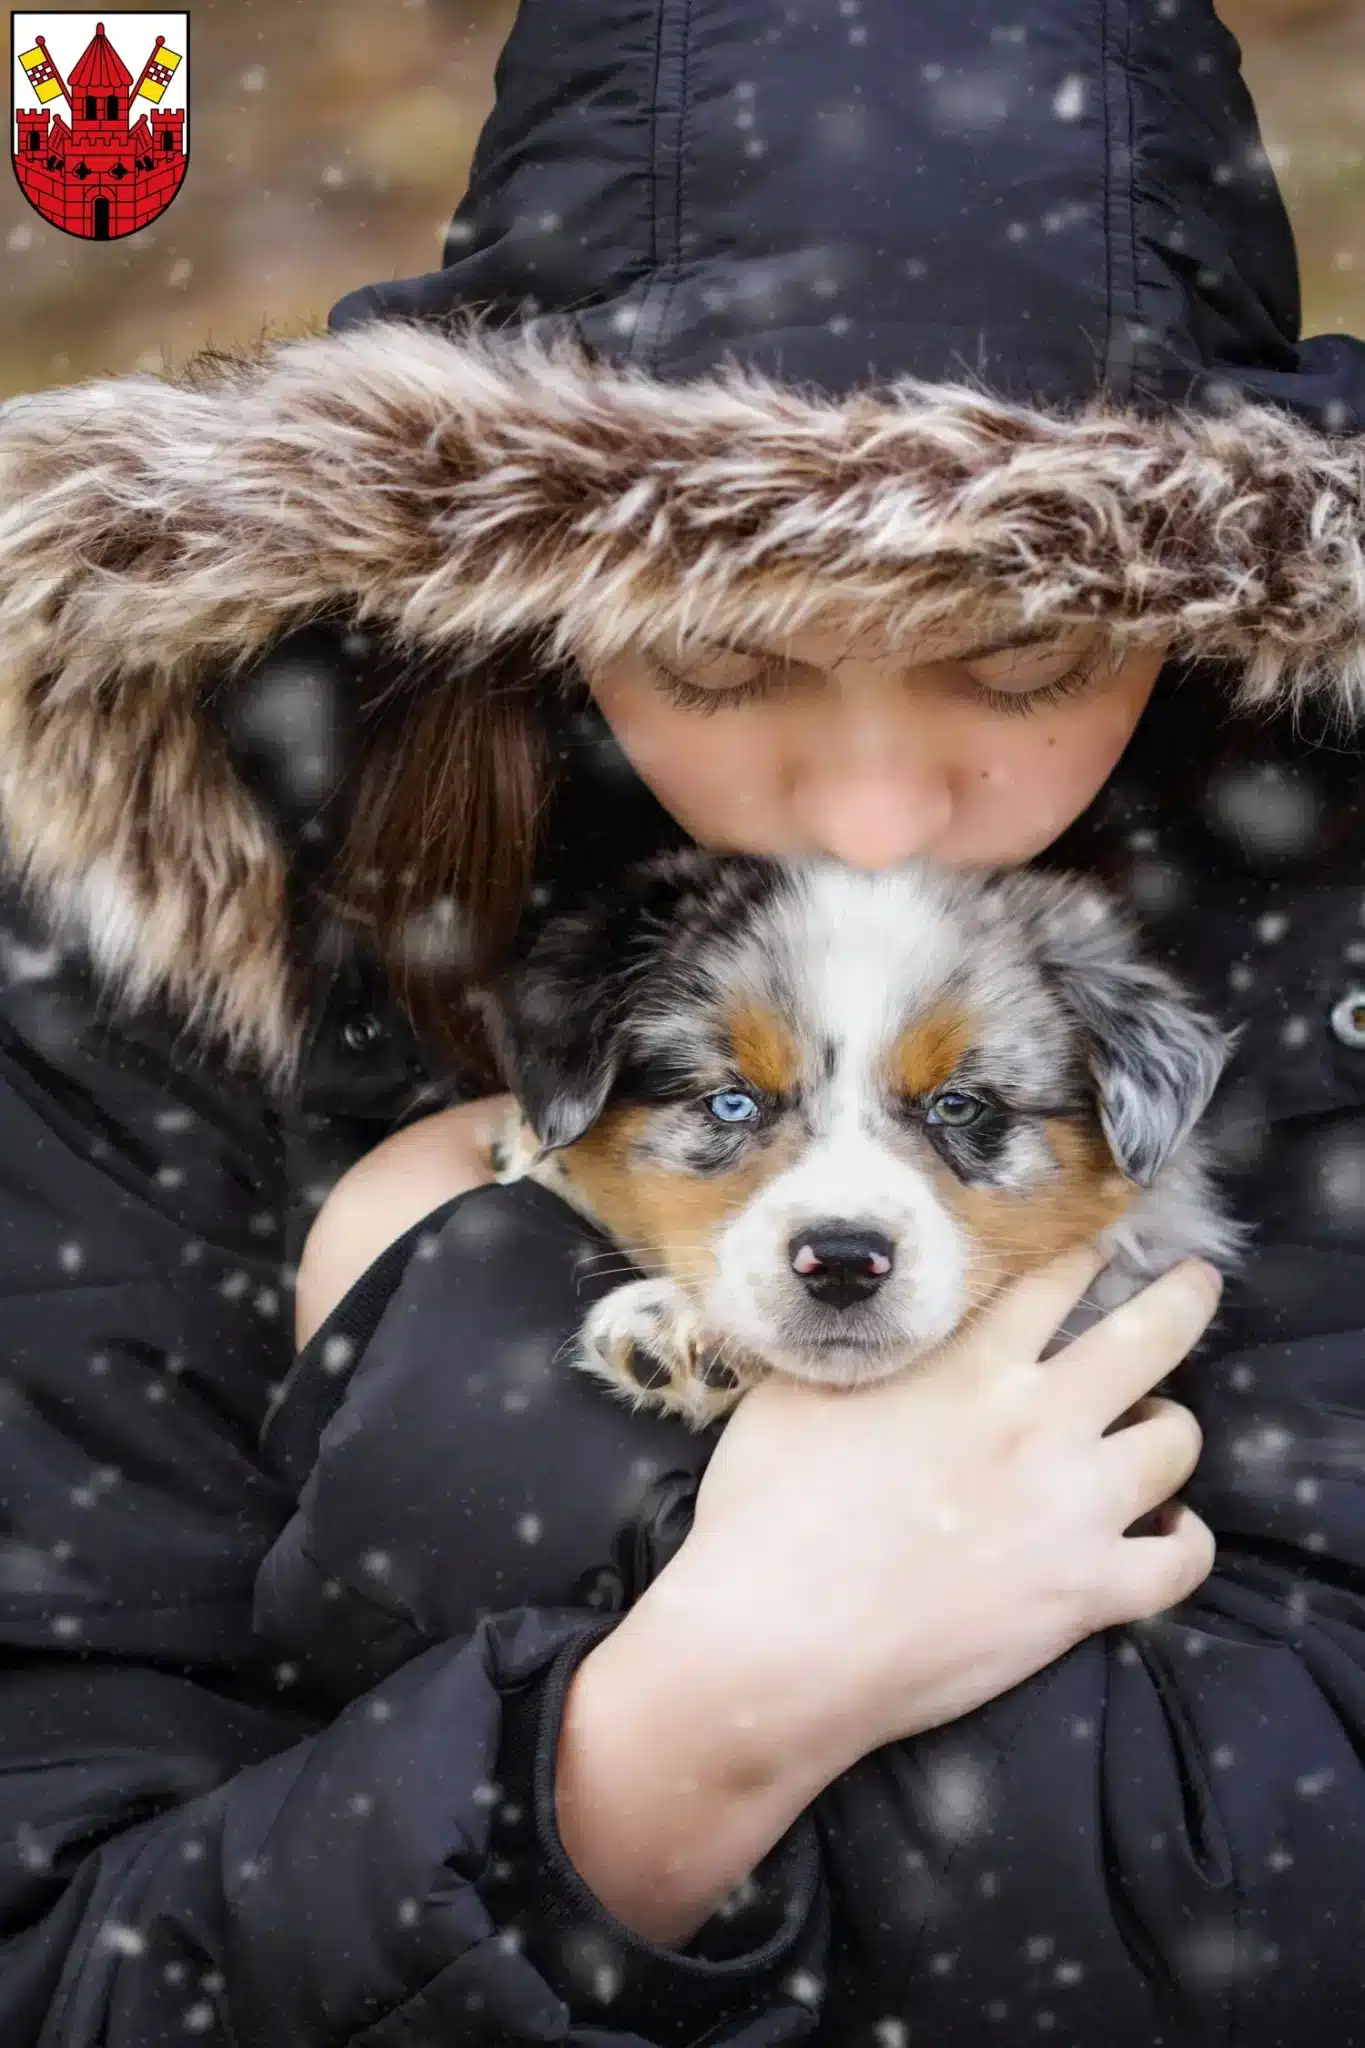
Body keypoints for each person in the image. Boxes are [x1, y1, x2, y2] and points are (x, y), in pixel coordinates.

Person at [2, 0, 1365, 2040]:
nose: (882, 810)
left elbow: (1298, 1882)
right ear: (525, 579)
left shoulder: (1317, 868)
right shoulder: (173, 928)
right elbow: (69, 1958)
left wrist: (472, 1359)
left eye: (1019, 661)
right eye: (729, 667)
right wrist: (662, 1739)